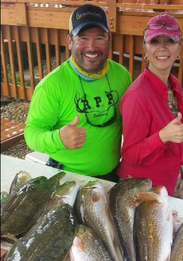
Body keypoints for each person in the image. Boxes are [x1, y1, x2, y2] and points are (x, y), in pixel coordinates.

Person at [24, 4, 131, 182]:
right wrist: (57, 138)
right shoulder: (52, 85)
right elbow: (31, 133)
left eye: (99, 38)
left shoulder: (122, 75)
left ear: (109, 40)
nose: (91, 47)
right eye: (82, 38)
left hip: (111, 174)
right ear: (69, 41)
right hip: (66, 176)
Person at [116, 14, 183, 197]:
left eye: (170, 40)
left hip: (171, 180)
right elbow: (130, 153)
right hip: (144, 191)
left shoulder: (174, 83)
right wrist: (162, 136)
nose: (162, 47)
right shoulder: (136, 95)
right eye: (155, 41)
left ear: (179, 47)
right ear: (145, 48)